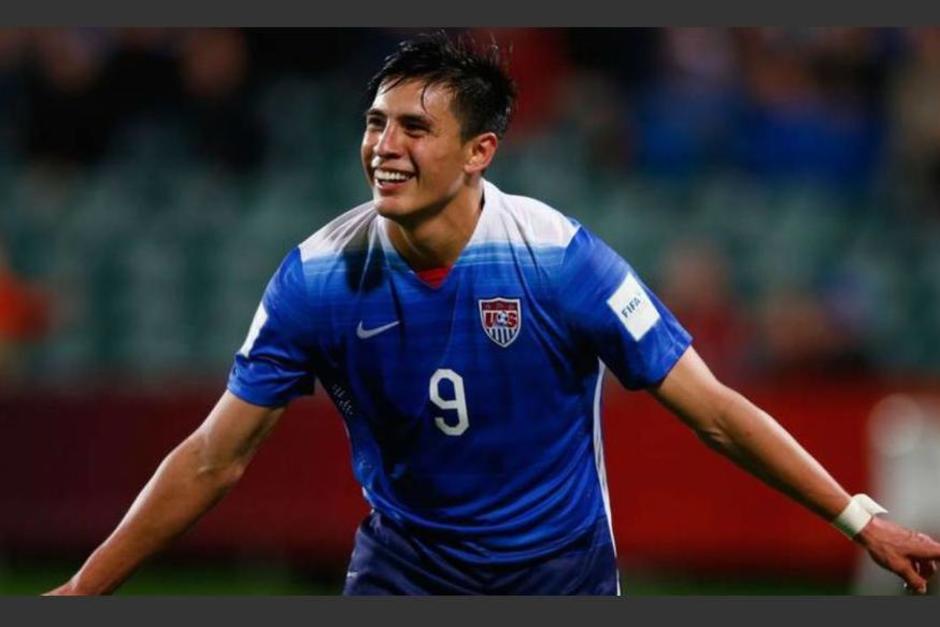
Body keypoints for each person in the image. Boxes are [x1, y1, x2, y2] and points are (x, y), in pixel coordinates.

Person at [47, 31, 940, 596]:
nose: (382, 148)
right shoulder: (318, 276)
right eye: (374, 122)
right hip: (402, 576)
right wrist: (82, 593)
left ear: (480, 151)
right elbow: (214, 458)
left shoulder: (561, 259)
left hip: (559, 582)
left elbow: (713, 411)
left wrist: (859, 518)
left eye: (412, 129)